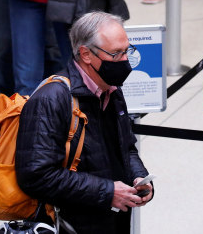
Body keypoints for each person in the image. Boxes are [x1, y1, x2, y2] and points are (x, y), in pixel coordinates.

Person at [15, 12, 153, 233]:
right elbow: (35, 176)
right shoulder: (51, 100)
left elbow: (126, 147)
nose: (126, 61)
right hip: (71, 225)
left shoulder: (112, 90)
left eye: (127, 51)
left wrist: (139, 177)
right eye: (117, 54)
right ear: (86, 54)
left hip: (112, 220)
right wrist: (108, 192)